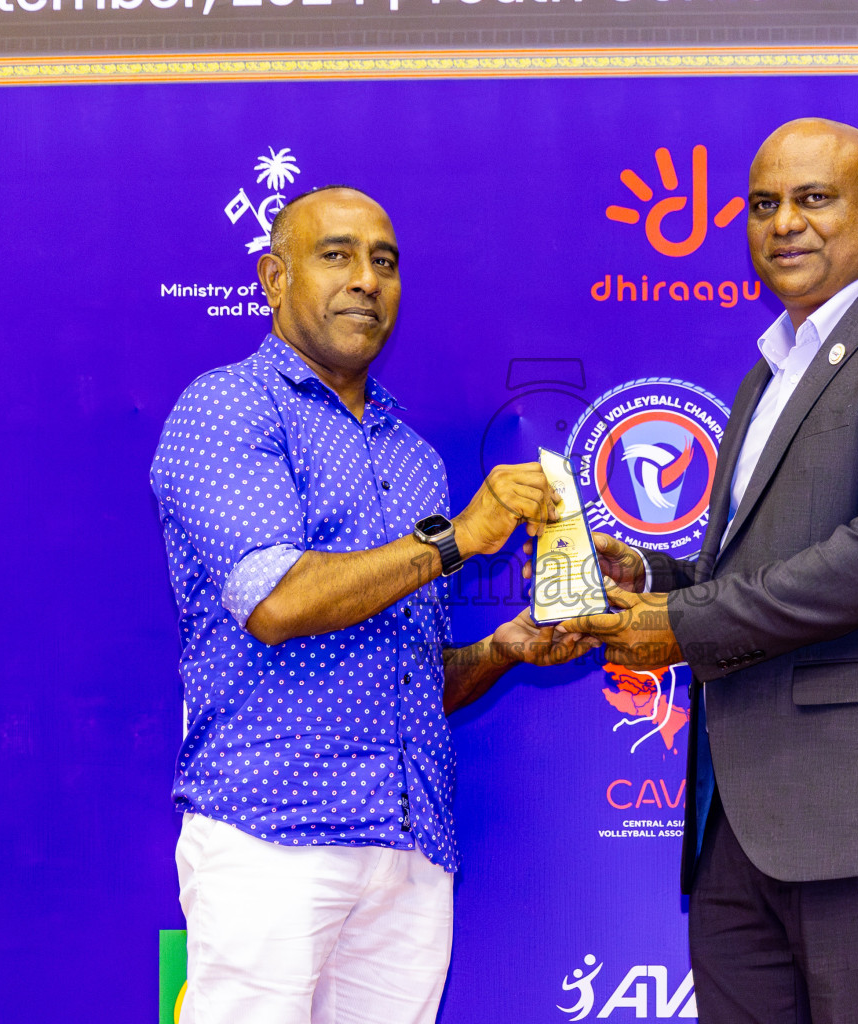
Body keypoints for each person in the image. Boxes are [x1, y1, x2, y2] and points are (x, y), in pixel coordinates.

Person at [559, 119, 858, 1024]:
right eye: (765, 204)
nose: (784, 224)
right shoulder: (769, 372)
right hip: (737, 829)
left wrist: (682, 627)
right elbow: (758, 567)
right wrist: (653, 579)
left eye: (814, 199)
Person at [150, 185, 593, 1024]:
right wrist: (459, 537)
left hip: (408, 847)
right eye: (337, 255)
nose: (365, 279)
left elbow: (408, 680)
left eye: (383, 262)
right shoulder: (226, 408)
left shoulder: (413, 456)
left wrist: (502, 648)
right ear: (273, 278)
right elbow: (277, 602)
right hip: (270, 832)